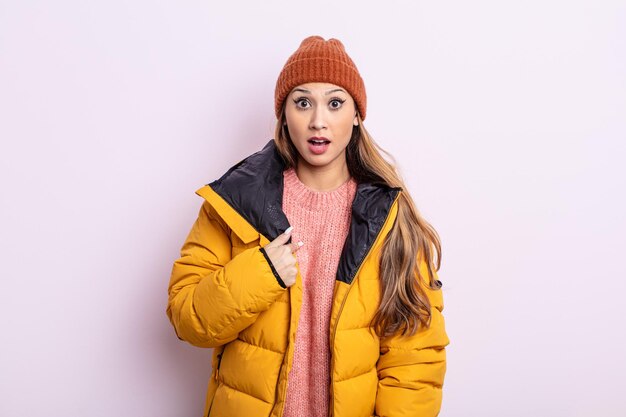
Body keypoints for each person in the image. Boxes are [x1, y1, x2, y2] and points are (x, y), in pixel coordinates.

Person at [166, 35, 449, 417]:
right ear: (284, 114)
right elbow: (188, 319)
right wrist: (260, 273)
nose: (318, 121)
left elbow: (415, 354)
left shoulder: (388, 219)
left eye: (335, 103)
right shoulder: (235, 203)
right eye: (303, 102)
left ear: (356, 115)